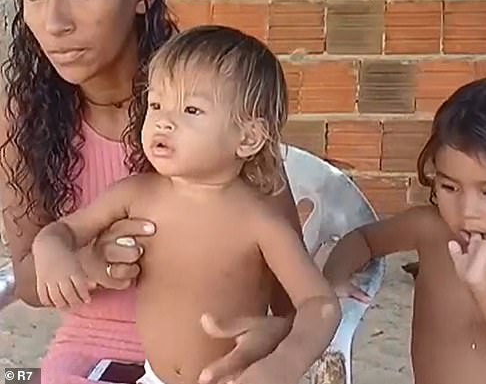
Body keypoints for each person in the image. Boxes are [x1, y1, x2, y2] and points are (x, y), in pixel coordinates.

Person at [0, 0, 303, 383]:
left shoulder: (208, 100)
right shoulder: (23, 116)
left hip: (212, 355)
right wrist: (86, 261)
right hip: (89, 354)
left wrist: (275, 335)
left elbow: (288, 296)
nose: (53, 23)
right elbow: (31, 281)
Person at [31, 25, 341, 384]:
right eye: (157, 103)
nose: (163, 119)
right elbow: (64, 230)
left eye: (191, 109)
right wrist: (51, 249)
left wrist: (286, 361)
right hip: (153, 376)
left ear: (248, 137)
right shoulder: (136, 194)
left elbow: (318, 303)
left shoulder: (259, 221)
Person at [323, 77, 486, 384]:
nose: (467, 210)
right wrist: (332, 280)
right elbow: (364, 239)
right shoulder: (430, 228)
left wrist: (484, 290)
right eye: (449, 187)